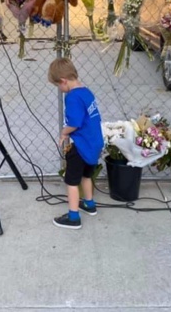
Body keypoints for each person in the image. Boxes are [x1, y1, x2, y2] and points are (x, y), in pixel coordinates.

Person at [48, 58, 103, 229]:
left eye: (59, 86)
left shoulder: (72, 97)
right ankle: (89, 204)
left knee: (72, 182)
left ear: (63, 81)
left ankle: (73, 217)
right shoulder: (87, 92)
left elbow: (75, 122)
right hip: (94, 144)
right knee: (86, 175)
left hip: (81, 147)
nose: (60, 90)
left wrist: (64, 132)